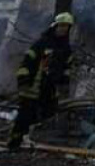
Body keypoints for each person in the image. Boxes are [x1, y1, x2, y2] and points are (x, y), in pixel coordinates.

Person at [8, 12, 75, 150]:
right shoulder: (42, 43)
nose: (64, 29)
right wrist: (23, 78)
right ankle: (14, 143)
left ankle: (29, 136)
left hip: (49, 88)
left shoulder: (66, 48)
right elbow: (28, 60)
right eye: (62, 25)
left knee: (48, 113)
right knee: (24, 115)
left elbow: (67, 67)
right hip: (33, 86)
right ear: (55, 26)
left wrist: (64, 81)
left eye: (67, 26)